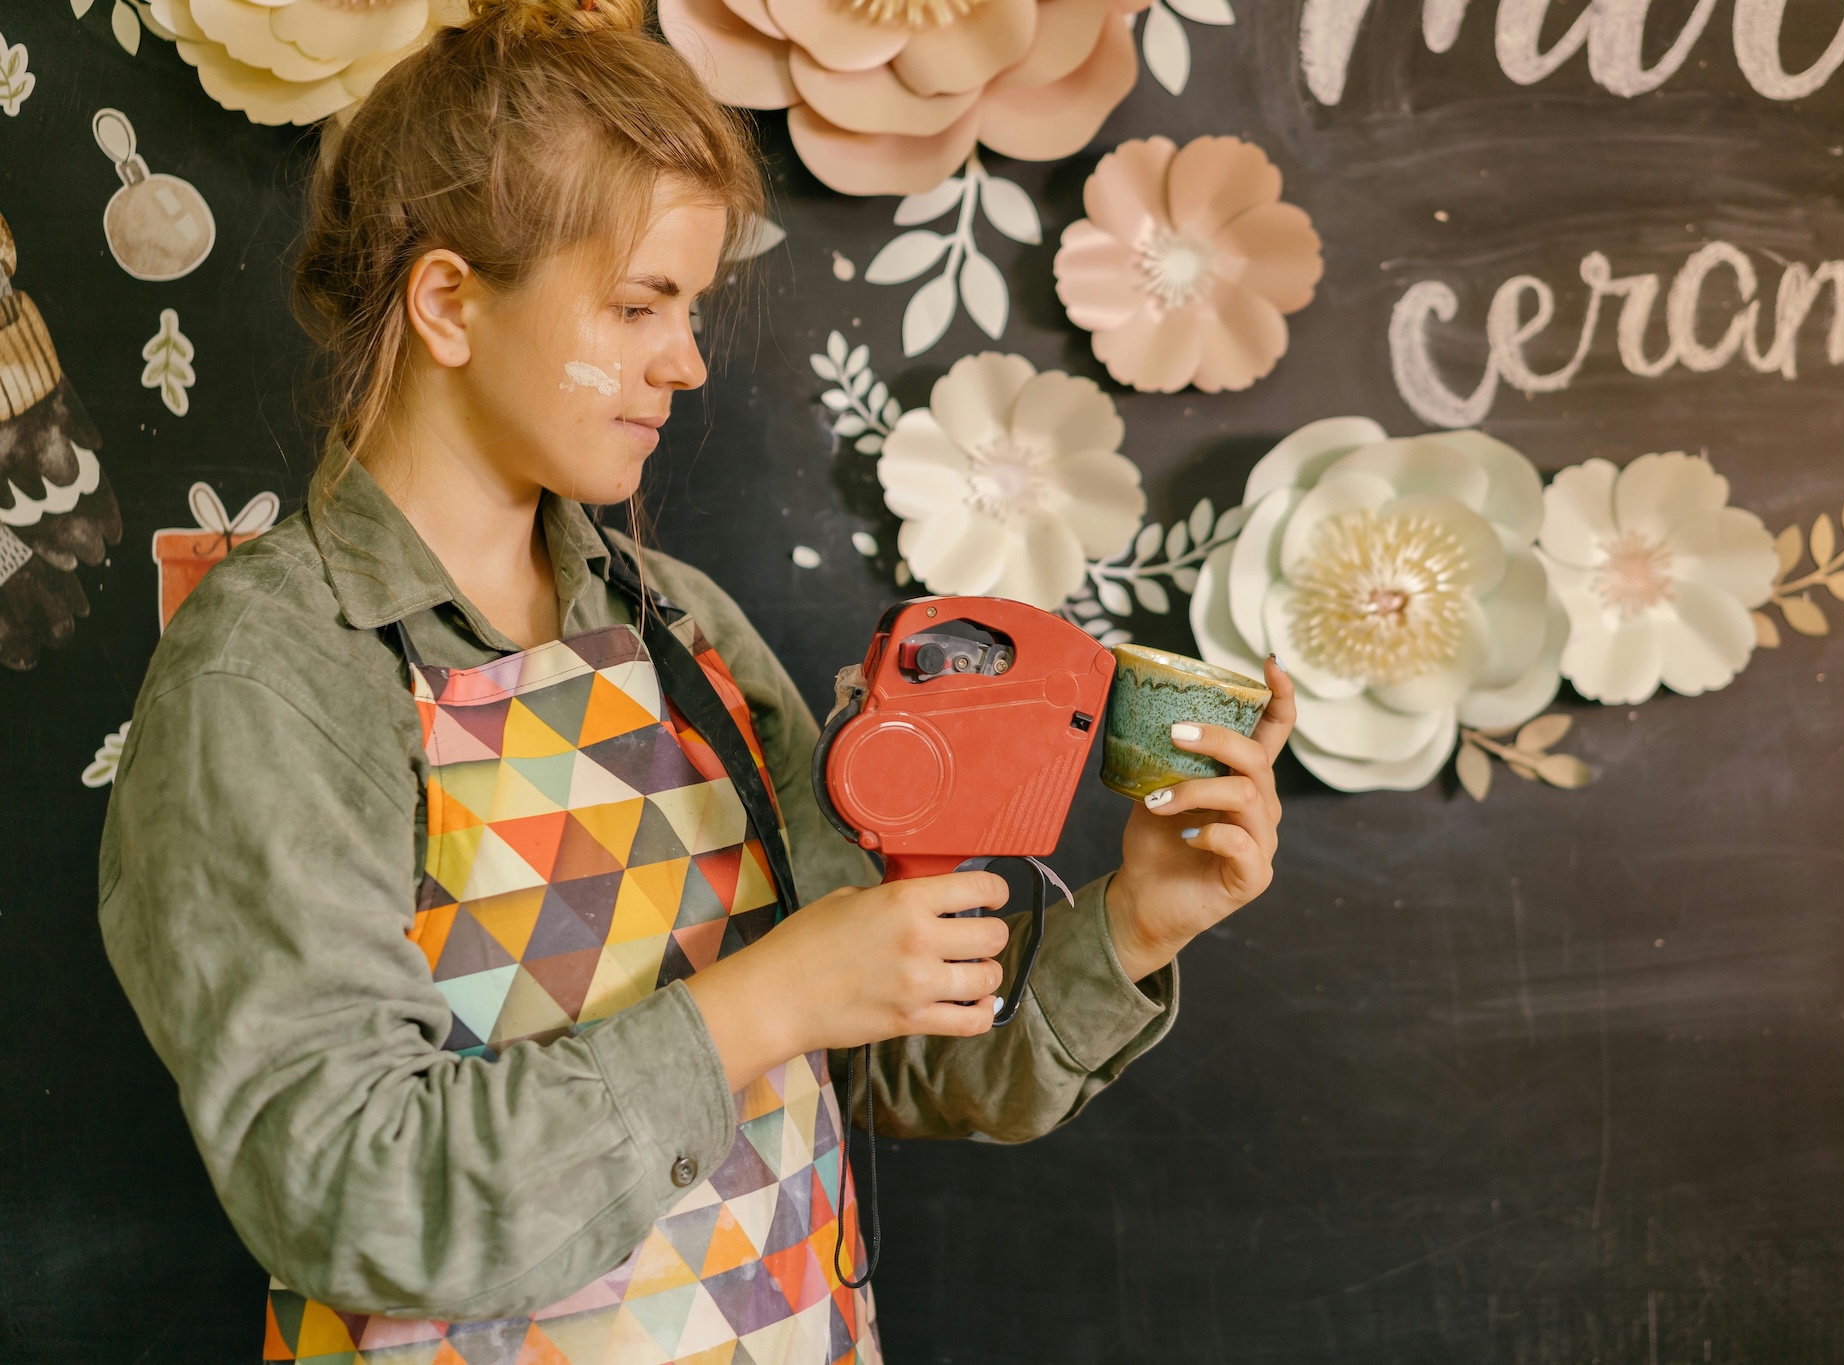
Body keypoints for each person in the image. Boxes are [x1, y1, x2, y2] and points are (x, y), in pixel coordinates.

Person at [97, 0, 1297, 1359]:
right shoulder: (273, 674)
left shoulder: (691, 633)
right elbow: (352, 1190)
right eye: (637, 303)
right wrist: (768, 996)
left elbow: (886, 1045)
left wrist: (1137, 920)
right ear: (447, 302)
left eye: (691, 304)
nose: (687, 356)